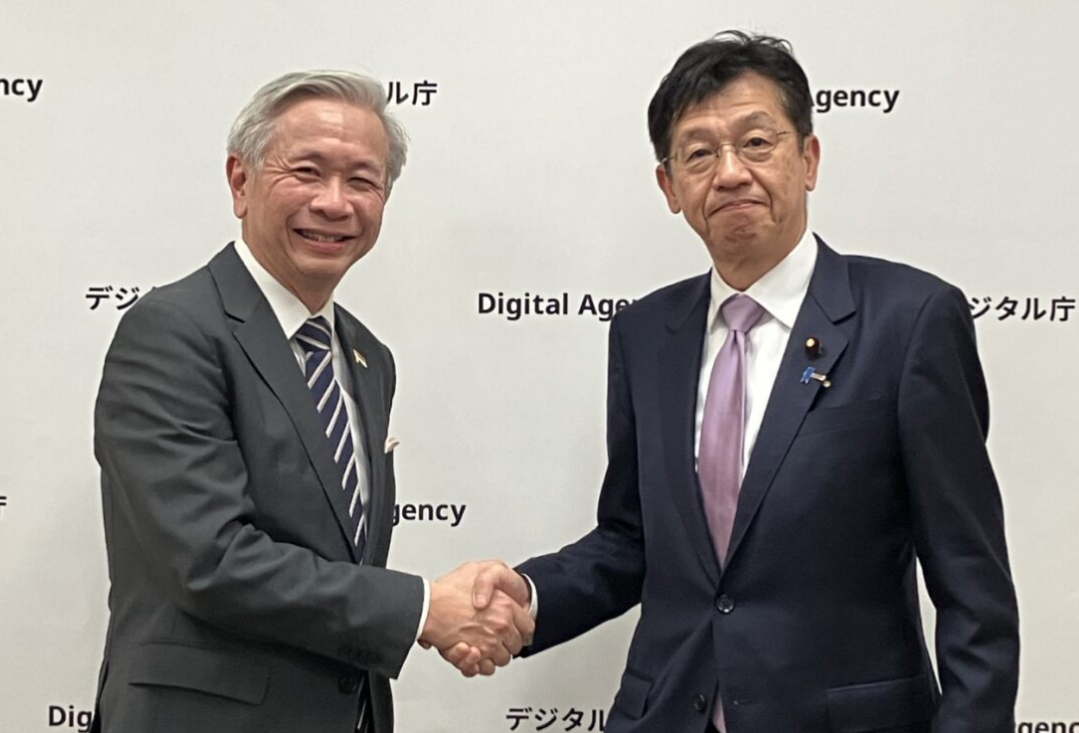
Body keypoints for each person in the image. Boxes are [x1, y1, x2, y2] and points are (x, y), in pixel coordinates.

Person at [470, 31, 1019, 732]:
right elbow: (631, 539)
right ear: (669, 186)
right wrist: (526, 595)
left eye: (755, 143)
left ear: (808, 158)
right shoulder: (643, 334)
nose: (729, 172)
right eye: (698, 153)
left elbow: (973, 587)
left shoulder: (908, 321)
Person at [90, 70, 531, 733]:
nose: (335, 202)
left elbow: (335, 558)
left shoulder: (366, 356)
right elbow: (212, 560)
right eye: (307, 171)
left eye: (362, 180)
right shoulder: (173, 329)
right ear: (240, 181)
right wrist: (421, 608)